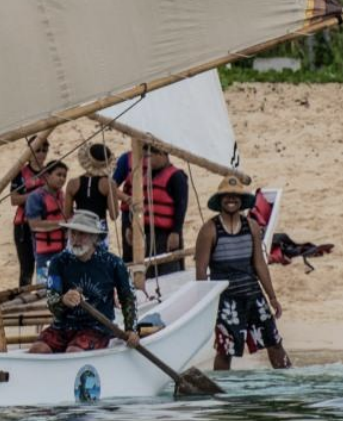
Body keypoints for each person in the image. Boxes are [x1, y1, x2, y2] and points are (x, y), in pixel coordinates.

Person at [195, 176, 291, 370]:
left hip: (253, 294)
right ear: (220, 201)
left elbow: (259, 264)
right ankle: (221, 391)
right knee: (225, 349)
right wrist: (204, 306)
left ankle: (288, 380)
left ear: (242, 201)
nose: (231, 199)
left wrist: (272, 297)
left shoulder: (252, 227)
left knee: (274, 341)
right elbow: (201, 270)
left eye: (236, 196)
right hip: (226, 299)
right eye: (227, 196)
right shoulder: (209, 230)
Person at [28, 210, 139, 354]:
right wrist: (63, 300)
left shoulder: (113, 263)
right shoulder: (58, 262)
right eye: (73, 233)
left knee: (73, 351)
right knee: (37, 350)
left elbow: (128, 297)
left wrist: (131, 329)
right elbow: (52, 302)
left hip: (98, 328)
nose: (76, 239)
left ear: (95, 238)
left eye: (82, 234)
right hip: (62, 326)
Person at [121, 146, 188, 273]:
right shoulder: (142, 176)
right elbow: (136, 204)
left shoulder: (176, 176)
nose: (146, 161)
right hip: (143, 234)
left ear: (162, 154)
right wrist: (130, 226)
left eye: (149, 157)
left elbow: (181, 206)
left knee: (167, 271)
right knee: (144, 271)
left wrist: (176, 231)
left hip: (165, 234)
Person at [9, 135, 50, 286]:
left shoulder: (50, 172)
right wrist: (36, 194)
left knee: (46, 266)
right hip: (24, 226)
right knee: (27, 268)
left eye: (44, 150)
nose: (41, 154)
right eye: (37, 150)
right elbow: (14, 199)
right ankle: (23, 302)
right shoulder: (20, 173)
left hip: (45, 224)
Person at [64, 143, 119, 243]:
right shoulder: (108, 184)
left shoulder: (72, 183)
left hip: (79, 226)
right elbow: (114, 215)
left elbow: (67, 214)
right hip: (98, 228)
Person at [24, 160, 68, 283]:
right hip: (45, 255)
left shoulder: (63, 196)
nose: (62, 179)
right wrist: (62, 223)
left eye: (64, 176)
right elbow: (35, 225)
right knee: (46, 290)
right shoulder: (35, 197)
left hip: (64, 250)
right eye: (58, 175)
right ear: (47, 176)